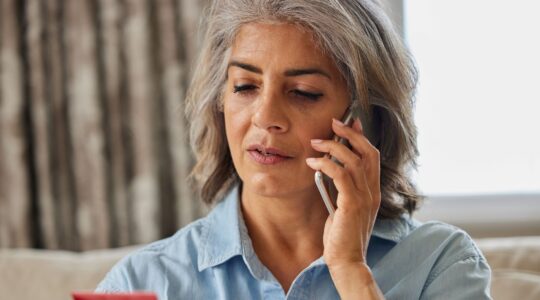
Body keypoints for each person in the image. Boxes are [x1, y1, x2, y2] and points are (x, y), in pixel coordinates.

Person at [96, 0, 492, 299]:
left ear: (362, 119)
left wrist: (352, 272)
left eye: (303, 93)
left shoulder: (442, 263)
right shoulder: (143, 280)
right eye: (245, 87)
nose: (265, 116)